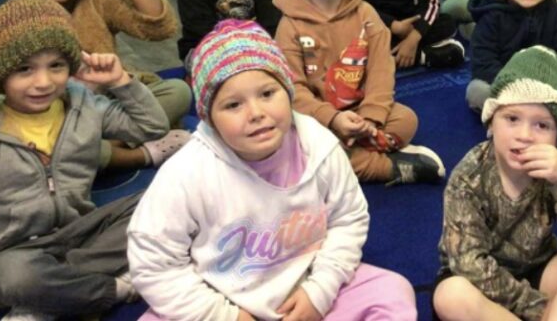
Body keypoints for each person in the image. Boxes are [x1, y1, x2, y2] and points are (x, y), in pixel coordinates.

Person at [128, 19, 418, 321]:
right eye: (233, 105)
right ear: (210, 118)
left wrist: (320, 290)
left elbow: (348, 218)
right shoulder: (186, 172)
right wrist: (222, 316)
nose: (257, 113)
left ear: (288, 92)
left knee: (392, 292)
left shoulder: (319, 145)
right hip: (220, 296)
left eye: (267, 94)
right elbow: (153, 262)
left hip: (305, 281)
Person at [0, 0, 169, 319]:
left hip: (80, 233)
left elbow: (152, 126)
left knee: (164, 202)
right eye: (24, 68)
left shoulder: (83, 104)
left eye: (56, 66)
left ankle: (48, 300)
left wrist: (120, 82)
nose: (43, 82)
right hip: (10, 253)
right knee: (14, 278)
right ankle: (113, 289)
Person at [433, 46, 557, 321]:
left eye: (542, 125)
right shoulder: (470, 174)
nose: (525, 135)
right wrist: (536, 308)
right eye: (512, 119)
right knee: (450, 295)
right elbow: (468, 265)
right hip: (480, 288)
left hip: (538, 272)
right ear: (492, 121)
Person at [13, 0, 190, 169]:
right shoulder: (14, 17)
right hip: (57, 116)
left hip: (112, 105)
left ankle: (103, 147)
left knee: (179, 91)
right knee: (47, 143)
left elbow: (160, 26)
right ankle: (138, 154)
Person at [274, 0, 444, 184]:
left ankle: (343, 157)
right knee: (291, 143)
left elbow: (381, 70)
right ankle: (383, 167)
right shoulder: (290, 24)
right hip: (314, 120)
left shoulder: (366, 14)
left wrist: (370, 118)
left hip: (360, 113)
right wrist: (333, 119)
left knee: (406, 120)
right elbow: (292, 89)